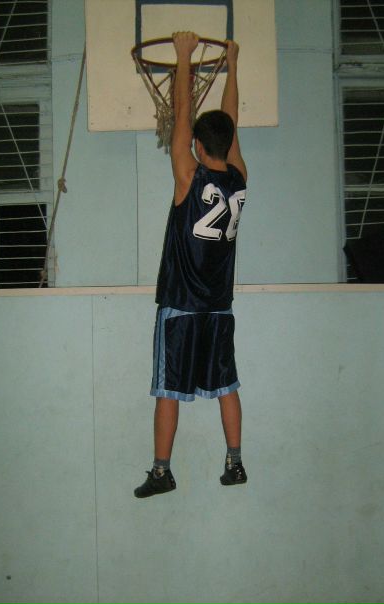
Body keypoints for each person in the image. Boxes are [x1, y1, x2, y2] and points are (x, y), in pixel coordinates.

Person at [134, 31, 248, 498]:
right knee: (227, 385)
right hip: (219, 307)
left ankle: (162, 472)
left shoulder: (188, 176)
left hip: (181, 305)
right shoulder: (240, 177)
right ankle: (235, 463)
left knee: (168, 391)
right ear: (227, 144)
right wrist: (232, 65)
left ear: (198, 146)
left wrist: (183, 59)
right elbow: (229, 124)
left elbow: (181, 117)